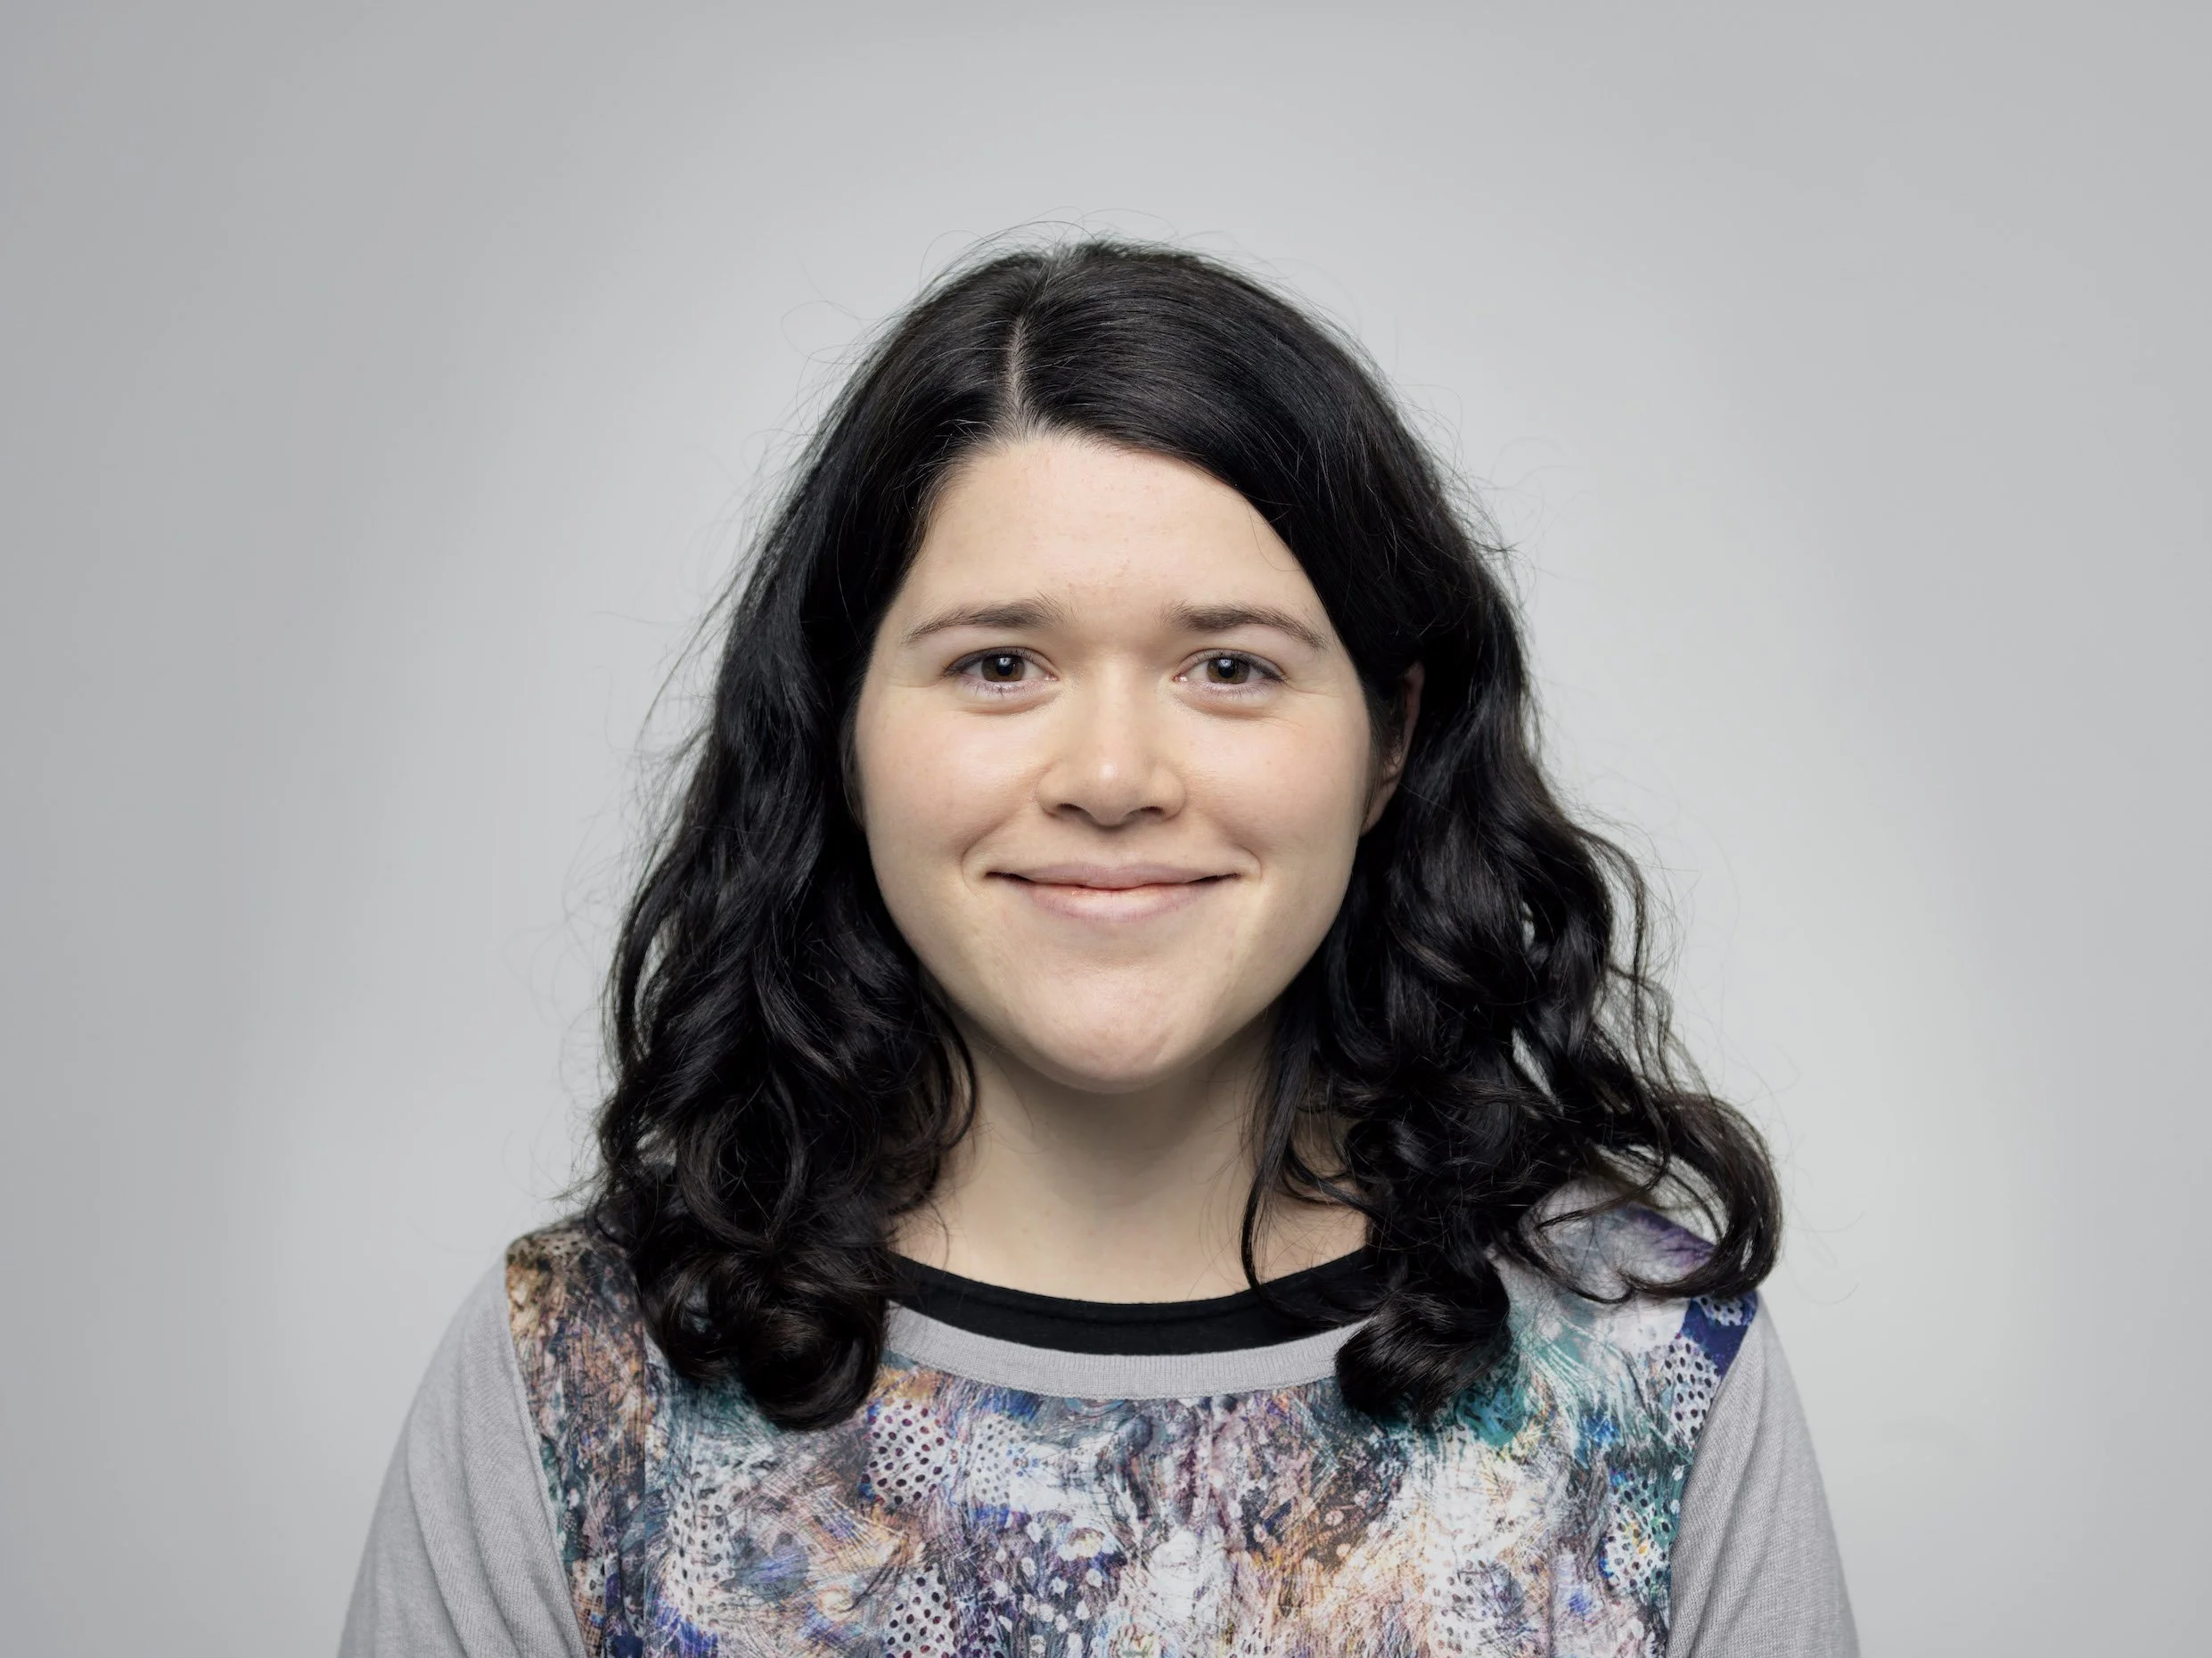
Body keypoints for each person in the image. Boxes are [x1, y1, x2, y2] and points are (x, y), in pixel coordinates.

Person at [341, 240, 1856, 1657]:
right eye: (1000, 664)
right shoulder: (580, 1373)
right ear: (843, 726)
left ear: (1389, 738)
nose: (1114, 777)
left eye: (1230, 667)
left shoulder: (1640, 1363)